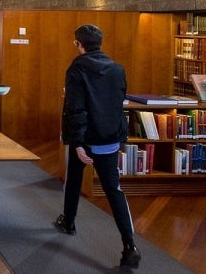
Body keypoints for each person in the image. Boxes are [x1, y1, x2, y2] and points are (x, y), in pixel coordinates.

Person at [54, 24, 141, 269]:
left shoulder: (77, 69)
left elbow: (76, 108)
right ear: (100, 43)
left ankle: (68, 222)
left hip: (86, 138)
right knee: (114, 190)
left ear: (78, 43)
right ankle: (130, 244)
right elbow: (118, 105)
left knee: (73, 180)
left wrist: (78, 142)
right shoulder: (117, 69)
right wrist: (120, 138)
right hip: (110, 139)